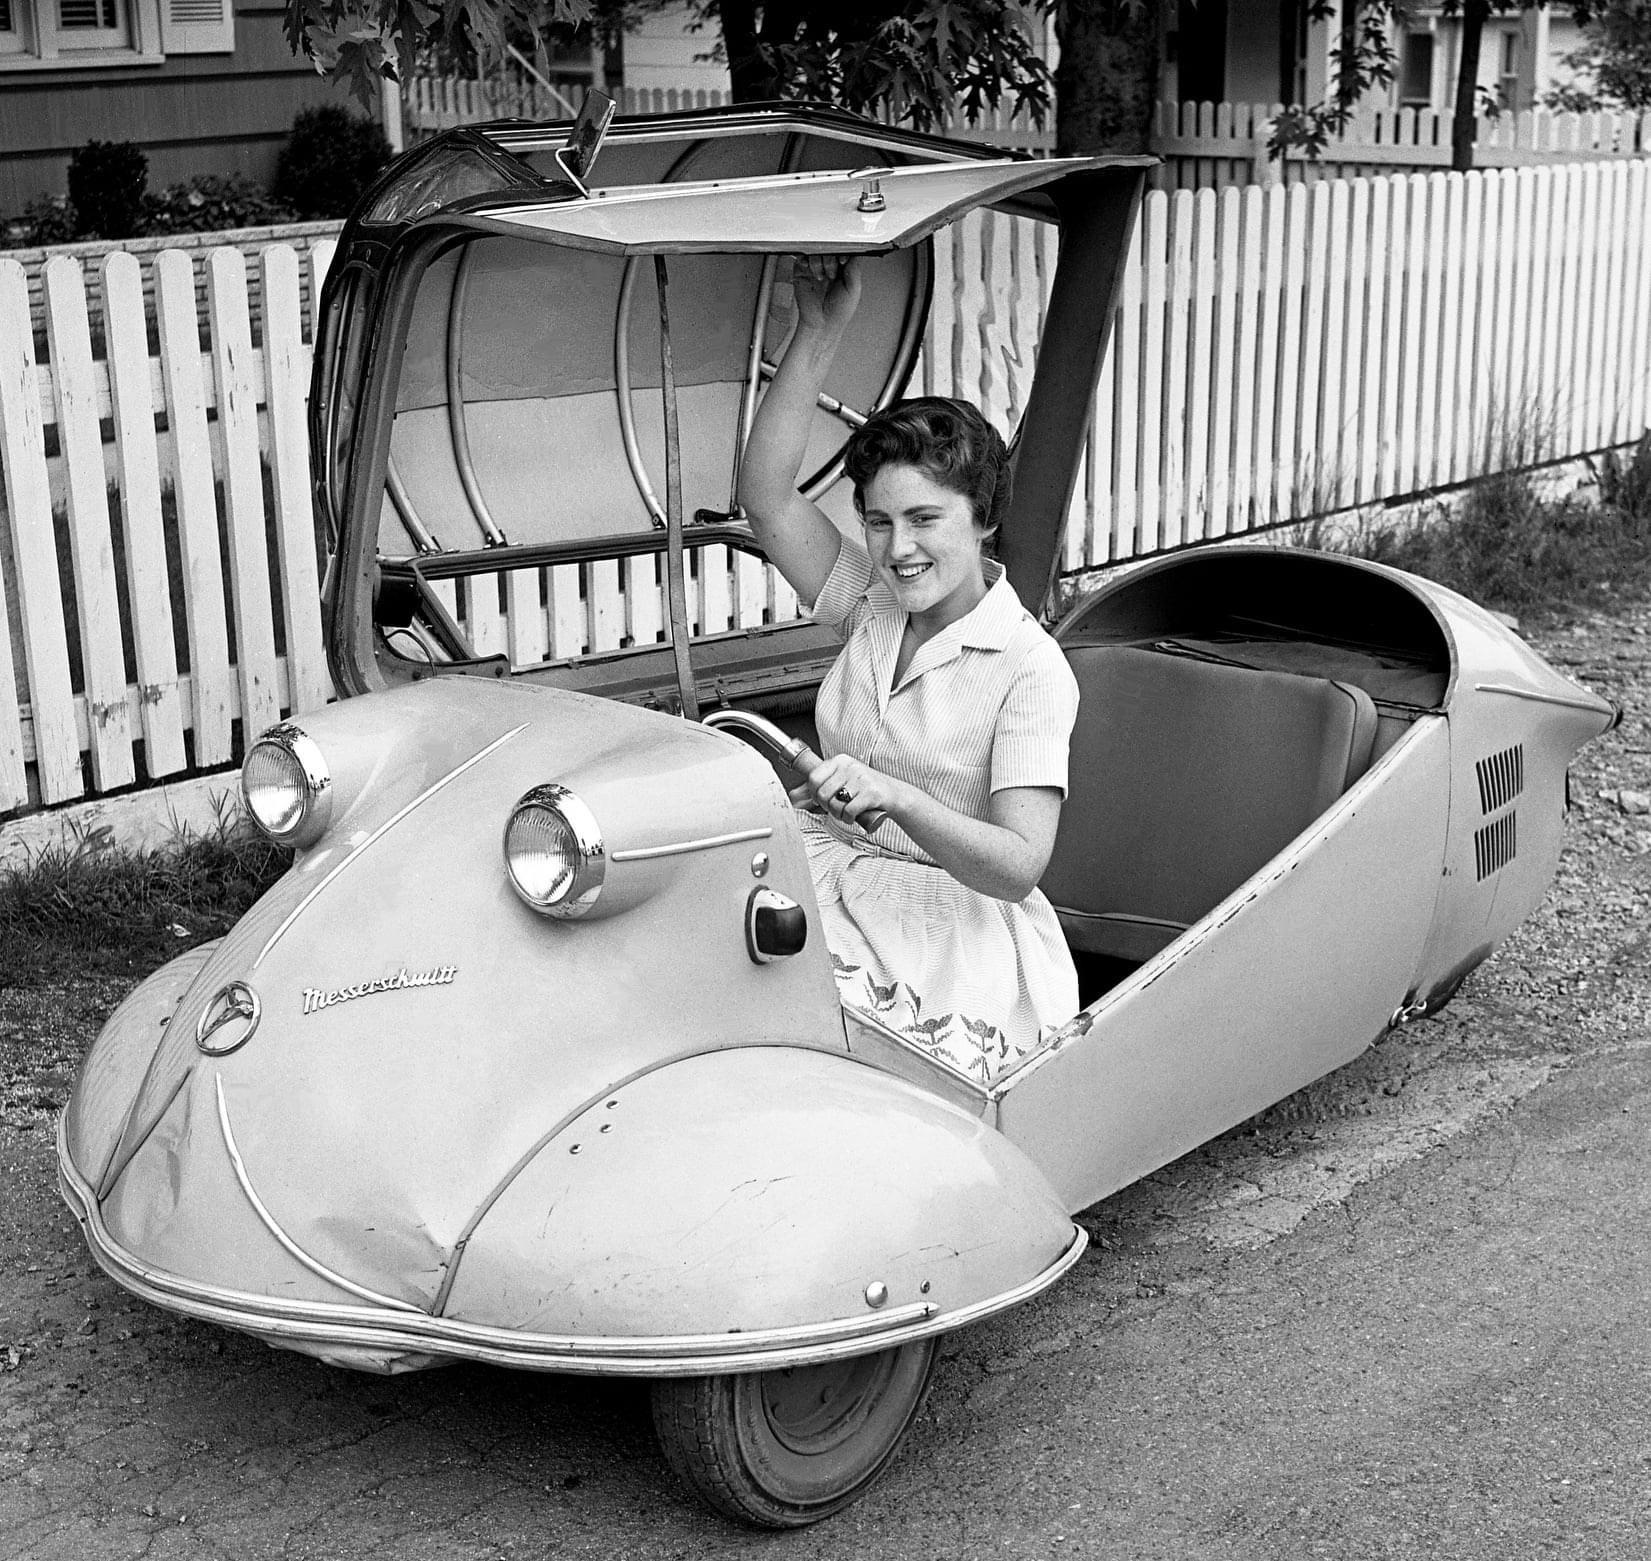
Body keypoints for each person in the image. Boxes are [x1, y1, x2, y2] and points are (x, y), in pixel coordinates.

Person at [737, 254, 1080, 1082]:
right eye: (878, 520)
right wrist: (817, 333)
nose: (898, 548)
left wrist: (898, 798)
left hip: (949, 931)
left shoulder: (1030, 666)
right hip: (827, 876)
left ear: (983, 519)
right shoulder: (870, 604)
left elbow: (1018, 861)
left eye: (925, 518)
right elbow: (765, 494)